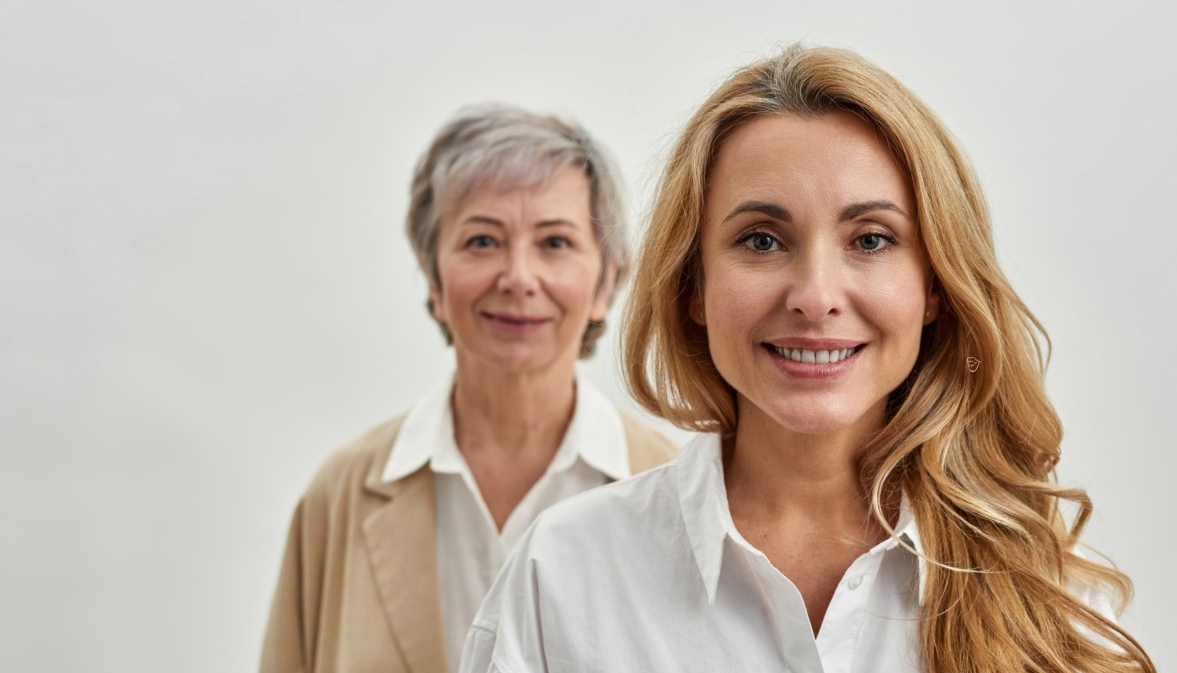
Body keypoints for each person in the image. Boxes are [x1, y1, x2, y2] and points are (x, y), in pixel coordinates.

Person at [459, 46, 1155, 673]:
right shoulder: (563, 575)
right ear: (693, 285)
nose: (817, 296)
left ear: (936, 287)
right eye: (762, 240)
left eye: (872, 239)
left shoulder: (1050, 589)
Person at [260, 104, 678, 673]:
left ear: (607, 281)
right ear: (433, 277)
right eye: (483, 241)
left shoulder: (679, 494)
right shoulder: (339, 497)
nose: (519, 278)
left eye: (555, 243)